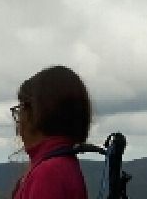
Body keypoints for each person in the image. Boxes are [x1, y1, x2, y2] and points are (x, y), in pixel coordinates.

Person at [10, 66, 93, 199]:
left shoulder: (48, 173)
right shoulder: (62, 164)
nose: (18, 120)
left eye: (20, 109)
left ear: (36, 113)